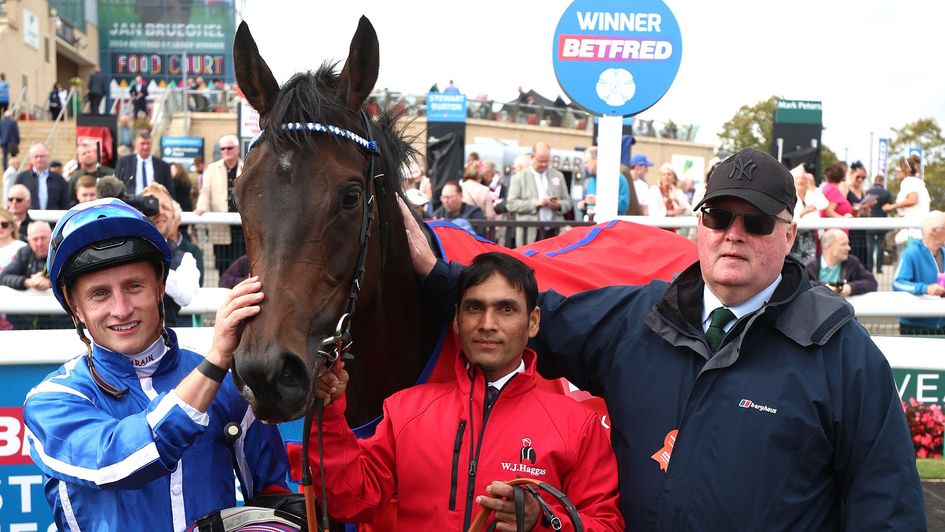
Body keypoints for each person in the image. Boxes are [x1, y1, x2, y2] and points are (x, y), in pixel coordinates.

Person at [402, 147, 925, 529]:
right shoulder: (640, 317)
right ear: (700, 225)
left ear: (790, 235)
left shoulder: (841, 352)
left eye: (757, 221)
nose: (733, 233)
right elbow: (533, 317)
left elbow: (887, 505)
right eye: (719, 216)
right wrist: (436, 275)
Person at [23, 198, 289, 530]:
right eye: (100, 294)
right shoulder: (51, 400)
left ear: (160, 287)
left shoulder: (227, 384)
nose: (121, 309)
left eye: (134, 287)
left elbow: (276, 499)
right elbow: (119, 459)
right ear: (76, 308)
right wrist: (217, 361)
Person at [312, 252, 623, 530]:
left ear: (533, 322)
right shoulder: (405, 410)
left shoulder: (576, 426)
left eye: (506, 309)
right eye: (475, 308)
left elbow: (607, 525)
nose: (487, 323)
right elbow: (350, 501)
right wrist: (328, 412)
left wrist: (542, 520)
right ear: (457, 321)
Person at [142, 183, 201, 327]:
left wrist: (155, 262)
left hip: (165, 342)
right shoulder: (122, 249)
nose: (160, 212)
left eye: (166, 208)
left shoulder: (185, 259)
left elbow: (186, 296)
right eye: (153, 206)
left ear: (174, 217)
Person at [196, 134, 243, 280]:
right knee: (223, 266)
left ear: (238, 149)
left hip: (242, 229)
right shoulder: (211, 169)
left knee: (243, 265)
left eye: (230, 148)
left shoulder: (247, 167)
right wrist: (201, 207)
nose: (226, 151)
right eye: (223, 149)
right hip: (220, 229)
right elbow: (205, 192)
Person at [505, 143, 571, 245]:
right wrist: (535, 203)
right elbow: (511, 204)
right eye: (541, 161)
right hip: (529, 234)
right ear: (532, 157)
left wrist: (558, 205)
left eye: (547, 161)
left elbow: (568, 203)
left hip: (554, 232)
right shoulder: (519, 178)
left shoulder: (558, 175)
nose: (544, 164)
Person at [892, 210, 945, 335]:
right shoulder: (912, 253)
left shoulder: (942, 252)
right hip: (916, 325)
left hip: (941, 322)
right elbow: (898, 283)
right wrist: (926, 288)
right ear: (935, 231)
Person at [804, 228, 877, 297]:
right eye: (843, 244)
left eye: (848, 244)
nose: (849, 248)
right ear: (829, 247)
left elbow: (872, 282)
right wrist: (824, 288)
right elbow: (801, 286)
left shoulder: (852, 262)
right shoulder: (810, 266)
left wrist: (850, 288)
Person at [883, 154, 931, 250]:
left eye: (899, 169)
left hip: (913, 231)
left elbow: (913, 199)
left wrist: (891, 206)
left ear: (905, 170)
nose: (897, 172)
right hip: (919, 229)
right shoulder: (917, 182)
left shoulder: (908, 181)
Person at [578, 146, 634, 220]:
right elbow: (591, 206)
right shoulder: (590, 181)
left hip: (612, 226)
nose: (585, 165)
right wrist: (584, 205)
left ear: (596, 159)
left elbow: (624, 205)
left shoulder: (618, 178)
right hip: (593, 227)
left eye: (587, 162)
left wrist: (600, 200)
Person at [114, 130, 174, 196]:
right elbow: (117, 185)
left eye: (148, 143)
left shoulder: (163, 166)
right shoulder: (124, 162)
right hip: (131, 203)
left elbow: (169, 192)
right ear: (135, 144)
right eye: (142, 144)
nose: (145, 147)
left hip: (155, 203)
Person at [789, 163, 828, 265]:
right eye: (798, 178)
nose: (801, 181)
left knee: (810, 264)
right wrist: (803, 212)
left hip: (810, 235)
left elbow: (824, 203)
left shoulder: (812, 193)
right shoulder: (790, 195)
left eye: (804, 178)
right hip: (794, 235)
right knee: (794, 263)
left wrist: (813, 186)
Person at [14, 143, 69, 210]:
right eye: (36, 156)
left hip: (53, 218)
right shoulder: (22, 178)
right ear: (31, 158)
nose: (39, 159)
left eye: (42, 156)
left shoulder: (59, 179)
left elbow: (65, 203)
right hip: (29, 219)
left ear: (48, 158)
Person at [866, 174, 894, 271]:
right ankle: (879, 267)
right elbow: (889, 208)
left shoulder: (868, 192)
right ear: (882, 182)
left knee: (869, 245)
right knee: (881, 245)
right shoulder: (886, 193)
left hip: (869, 222)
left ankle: (869, 267)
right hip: (882, 222)